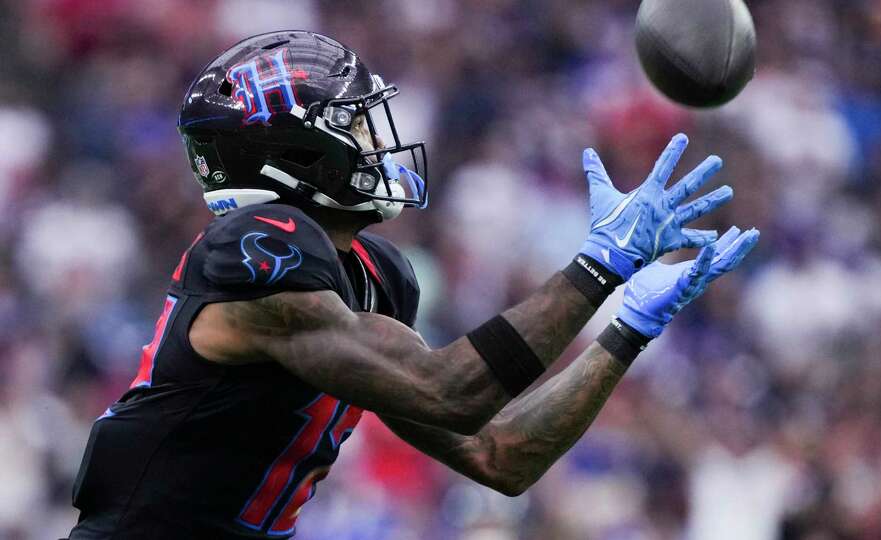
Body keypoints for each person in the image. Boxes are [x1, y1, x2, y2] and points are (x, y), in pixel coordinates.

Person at [67, 30, 759, 539]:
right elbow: (449, 392)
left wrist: (625, 329)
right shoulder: (254, 247)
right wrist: (598, 268)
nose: (377, 142)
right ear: (294, 157)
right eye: (355, 124)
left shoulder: (376, 277)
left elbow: (499, 454)